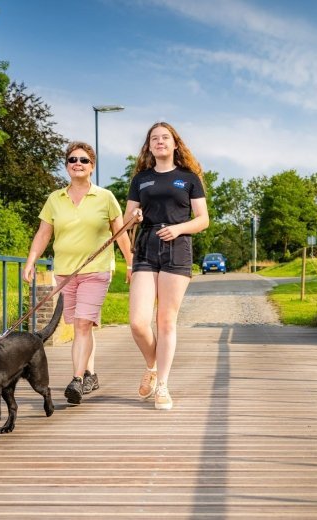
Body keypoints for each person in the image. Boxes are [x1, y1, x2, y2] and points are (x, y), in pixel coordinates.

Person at [23, 141, 133, 405]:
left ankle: (76, 380)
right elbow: (43, 233)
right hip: (65, 272)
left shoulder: (105, 197)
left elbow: (120, 233)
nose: (78, 164)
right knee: (80, 325)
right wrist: (31, 260)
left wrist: (131, 263)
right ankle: (91, 373)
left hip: (96, 270)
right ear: (66, 166)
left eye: (83, 160)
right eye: (72, 160)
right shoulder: (55, 199)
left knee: (83, 323)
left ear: (92, 166)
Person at [125, 122, 209, 410]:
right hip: (146, 246)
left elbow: (203, 219)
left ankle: (162, 385)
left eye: (165, 138)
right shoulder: (140, 179)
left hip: (177, 247)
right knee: (138, 321)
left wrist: (179, 228)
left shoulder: (189, 178)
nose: (160, 142)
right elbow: (126, 220)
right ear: (149, 146)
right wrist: (134, 216)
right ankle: (152, 363)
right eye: (154, 139)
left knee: (165, 321)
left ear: (175, 144)